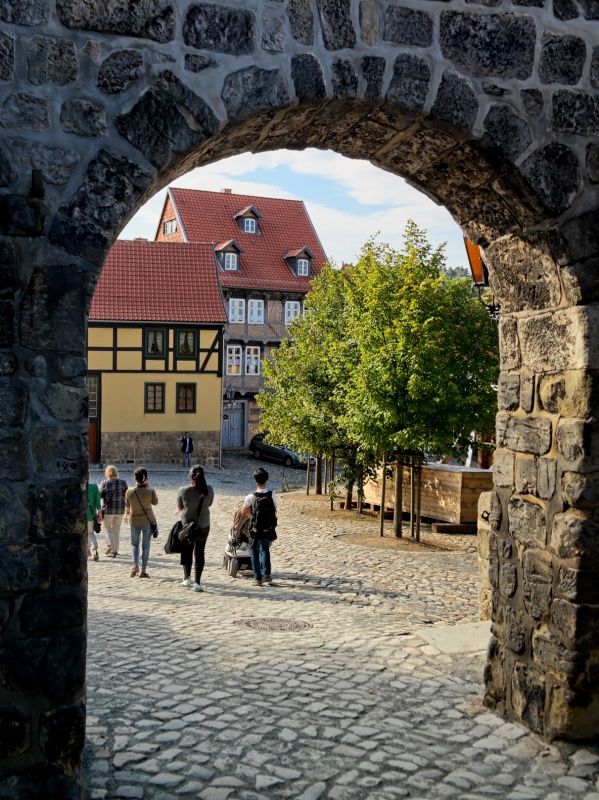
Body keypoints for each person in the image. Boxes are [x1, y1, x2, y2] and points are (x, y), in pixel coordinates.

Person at [176, 465, 214, 592]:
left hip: (188, 525)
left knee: (187, 551)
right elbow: (210, 503)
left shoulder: (183, 490)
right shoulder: (209, 489)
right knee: (200, 552)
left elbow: (180, 507)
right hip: (203, 525)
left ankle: (187, 578)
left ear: (190, 477)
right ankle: (198, 583)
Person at [240, 467, 278, 587]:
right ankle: (267, 574)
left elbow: (243, 511)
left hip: (255, 530)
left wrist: (250, 515)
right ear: (266, 479)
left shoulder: (251, 497)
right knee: (266, 550)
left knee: (254, 552)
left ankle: (257, 578)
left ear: (255, 480)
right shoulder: (272, 495)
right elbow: (274, 508)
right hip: (268, 528)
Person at [125, 467, 158, 579]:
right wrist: (149, 488)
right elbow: (155, 502)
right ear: (146, 478)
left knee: (135, 545)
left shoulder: (129, 491)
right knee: (146, 546)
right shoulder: (150, 491)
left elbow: (127, 505)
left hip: (134, 520)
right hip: (147, 521)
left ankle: (135, 565)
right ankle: (143, 571)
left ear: (135, 478)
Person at [99, 465, 128, 558]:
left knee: (108, 529)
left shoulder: (105, 483)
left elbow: (100, 495)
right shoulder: (123, 483)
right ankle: (115, 548)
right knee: (116, 529)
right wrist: (128, 507)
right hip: (120, 509)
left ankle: (113, 549)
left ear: (107, 473)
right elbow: (126, 496)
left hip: (108, 509)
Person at [87, 481, 102, 561]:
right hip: (91, 516)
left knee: (86, 534)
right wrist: (99, 513)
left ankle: (88, 550)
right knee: (91, 533)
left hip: (81, 516)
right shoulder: (94, 487)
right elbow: (98, 501)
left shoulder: (79, 486)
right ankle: (95, 550)